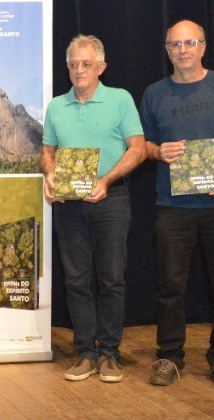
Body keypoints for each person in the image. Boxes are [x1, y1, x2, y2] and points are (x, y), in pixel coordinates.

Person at [141, 20, 214, 389]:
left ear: (203, 47)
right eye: (175, 44)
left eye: (190, 42)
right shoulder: (154, 94)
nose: (183, 50)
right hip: (172, 208)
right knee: (169, 287)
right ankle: (170, 356)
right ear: (167, 51)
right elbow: (140, 145)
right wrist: (158, 151)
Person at [40, 35, 146, 383]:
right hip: (69, 204)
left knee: (111, 278)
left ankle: (110, 353)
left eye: (86, 64)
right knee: (76, 280)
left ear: (101, 67)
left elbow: (138, 149)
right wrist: (50, 175)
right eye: (73, 64)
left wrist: (108, 180)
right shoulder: (57, 106)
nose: (79, 70)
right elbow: (48, 152)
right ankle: (85, 352)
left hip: (111, 199)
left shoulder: (120, 100)